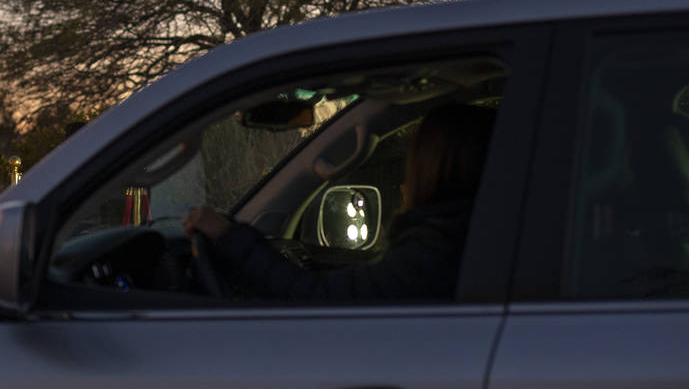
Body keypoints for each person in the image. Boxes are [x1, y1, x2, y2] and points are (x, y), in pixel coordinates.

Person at [183, 103, 497, 301]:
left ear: (437, 170)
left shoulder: (440, 252)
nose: (403, 186)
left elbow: (315, 299)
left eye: (413, 167)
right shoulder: (478, 241)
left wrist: (227, 235)